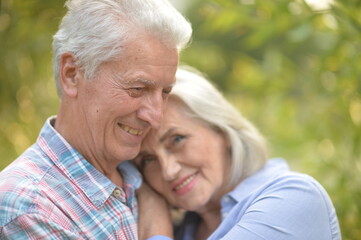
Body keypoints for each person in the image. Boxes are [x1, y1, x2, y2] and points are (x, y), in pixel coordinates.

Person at [0, 0, 192, 239]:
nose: (156, 116)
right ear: (71, 74)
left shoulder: (142, 171)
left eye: (165, 92)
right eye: (137, 88)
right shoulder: (32, 208)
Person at [133, 67, 341, 240]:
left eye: (177, 139)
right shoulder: (182, 231)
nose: (168, 171)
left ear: (222, 130)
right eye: (148, 160)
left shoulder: (294, 198)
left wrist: (154, 218)